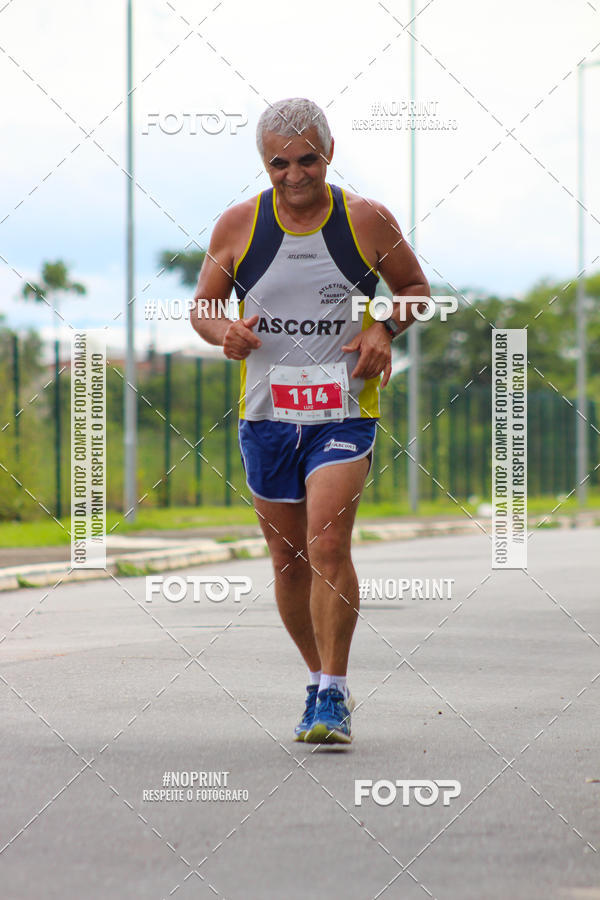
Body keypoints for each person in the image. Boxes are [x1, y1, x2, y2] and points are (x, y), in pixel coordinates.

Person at [191, 97, 429, 744]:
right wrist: (226, 334)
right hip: (267, 414)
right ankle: (318, 679)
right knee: (289, 560)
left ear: (329, 154)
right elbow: (204, 307)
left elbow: (416, 293)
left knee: (327, 544)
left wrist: (382, 326)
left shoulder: (367, 220)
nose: (294, 174)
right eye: (279, 163)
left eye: (307, 160)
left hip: (343, 408)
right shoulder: (239, 224)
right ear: (263, 163)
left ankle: (333, 692)